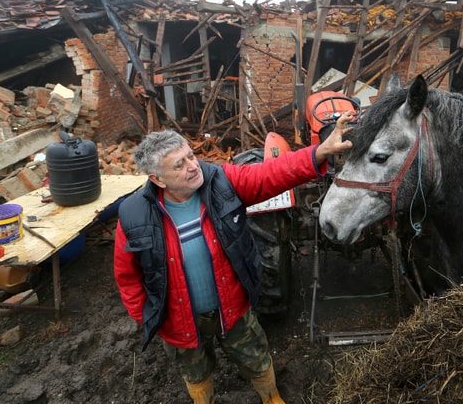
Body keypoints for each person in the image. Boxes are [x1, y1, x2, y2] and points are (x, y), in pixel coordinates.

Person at [113, 111, 354, 403]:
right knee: (196, 372)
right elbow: (127, 277)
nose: (193, 166)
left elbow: (270, 173)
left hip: (232, 306)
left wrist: (319, 152)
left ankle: (272, 398)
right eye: (180, 164)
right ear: (157, 179)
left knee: (256, 358)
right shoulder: (134, 216)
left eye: (191, 156)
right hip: (179, 321)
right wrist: (150, 317)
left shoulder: (221, 183)